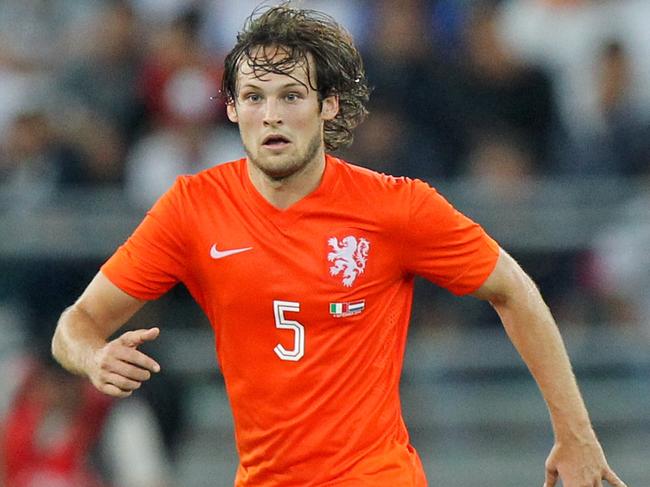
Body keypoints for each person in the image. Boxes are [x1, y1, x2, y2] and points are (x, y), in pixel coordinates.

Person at [51, 5, 627, 487]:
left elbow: (513, 289)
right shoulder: (191, 208)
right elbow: (75, 325)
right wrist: (94, 357)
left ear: (328, 105)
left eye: (290, 96)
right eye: (253, 97)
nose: (271, 115)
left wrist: (574, 434)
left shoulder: (396, 207)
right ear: (231, 109)